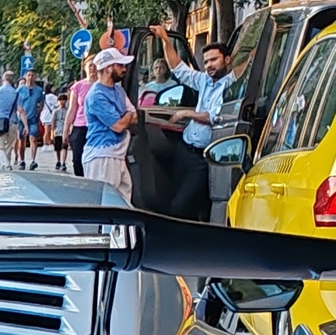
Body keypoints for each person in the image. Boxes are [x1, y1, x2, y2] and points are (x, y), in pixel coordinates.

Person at [154, 23, 235, 218]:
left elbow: (214, 117)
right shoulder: (205, 80)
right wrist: (165, 40)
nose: (209, 66)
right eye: (206, 62)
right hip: (186, 149)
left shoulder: (231, 85)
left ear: (227, 59)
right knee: (178, 198)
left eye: (214, 60)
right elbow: (178, 67)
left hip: (204, 157)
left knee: (182, 205)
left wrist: (186, 114)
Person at [78, 47, 138, 192]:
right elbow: (119, 126)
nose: (124, 69)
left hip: (116, 155)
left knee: (122, 202)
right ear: (109, 68)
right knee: (104, 203)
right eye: (120, 65)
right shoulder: (96, 96)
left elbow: (134, 117)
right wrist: (128, 113)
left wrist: (128, 115)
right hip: (102, 157)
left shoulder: (118, 90)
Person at [11, 71, 45, 167]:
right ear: (25, 77)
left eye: (33, 75)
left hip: (33, 118)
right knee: (22, 140)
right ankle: (22, 160)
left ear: (35, 77)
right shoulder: (20, 90)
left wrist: (38, 112)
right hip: (21, 119)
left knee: (33, 138)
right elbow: (15, 104)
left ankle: (33, 160)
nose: (31, 77)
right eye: (29, 75)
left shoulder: (38, 90)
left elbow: (41, 103)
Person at [65, 72, 93, 176]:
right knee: (77, 157)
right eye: (90, 65)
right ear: (85, 68)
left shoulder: (102, 85)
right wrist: (66, 130)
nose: (93, 68)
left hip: (95, 126)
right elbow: (72, 109)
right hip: (79, 125)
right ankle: (80, 179)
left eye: (94, 65)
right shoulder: (78, 86)